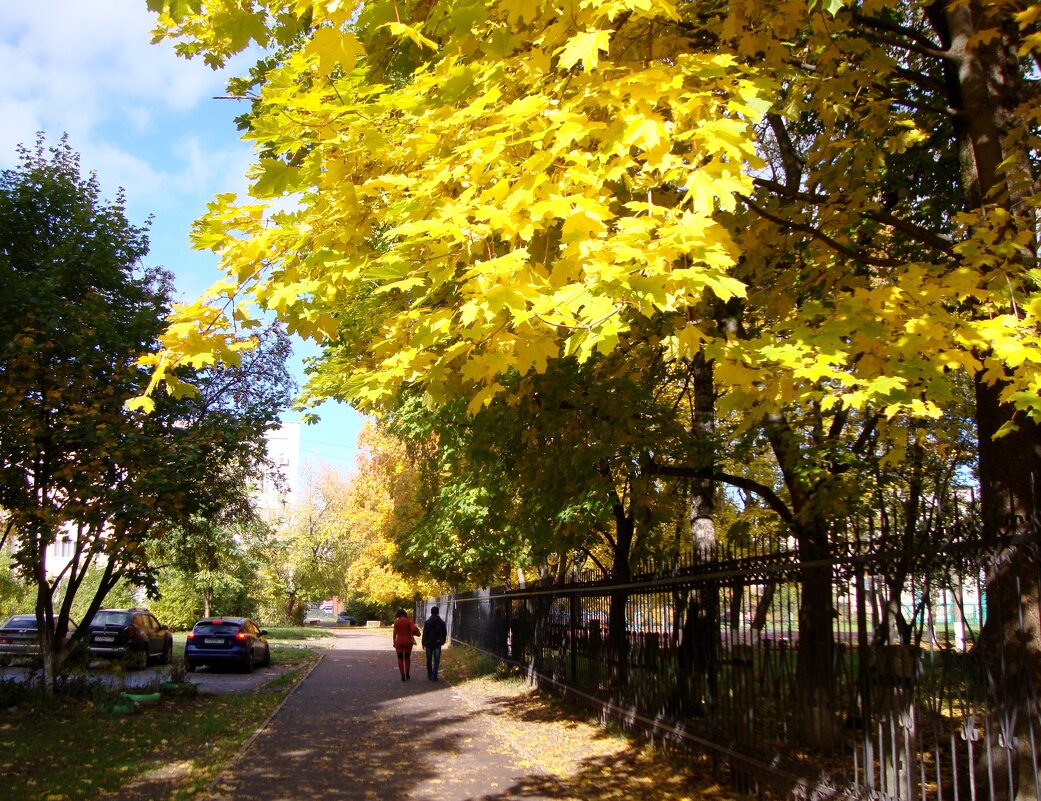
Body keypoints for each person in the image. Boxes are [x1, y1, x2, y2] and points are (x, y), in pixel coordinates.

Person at [392, 609, 421, 681]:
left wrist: (394, 642)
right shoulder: (409, 621)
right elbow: (413, 629)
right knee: (407, 658)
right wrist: (414, 633)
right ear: (404, 614)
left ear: (398, 615)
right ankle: (407, 673)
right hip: (408, 641)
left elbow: (394, 633)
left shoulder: (396, 622)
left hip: (399, 641)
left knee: (400, 658)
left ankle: (402, 675)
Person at [422, 605, 448, 680]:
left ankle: (429, 674)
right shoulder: (441, 622)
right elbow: (444, 633)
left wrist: (423, 642)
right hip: (437, 642)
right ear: (438, 612)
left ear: (431, 612)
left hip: (429, 642)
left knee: (429, 659)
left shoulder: (427, 622)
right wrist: (443, 640)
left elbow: (425, 633)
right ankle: (434, 675)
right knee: (436, 660)